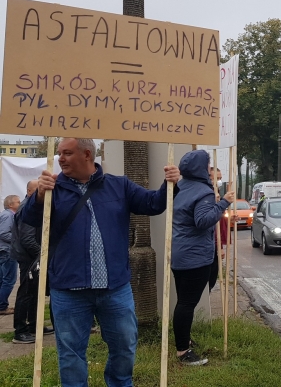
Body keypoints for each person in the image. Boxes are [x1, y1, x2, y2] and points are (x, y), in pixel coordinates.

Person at [19, 138, 180, 387]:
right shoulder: (52, 188)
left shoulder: (119, 185)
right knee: (71, 353)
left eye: (67, 153)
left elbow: (153, 203)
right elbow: (26, 218)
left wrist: (170, 184)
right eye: (59, 153)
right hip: (69, 289)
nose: (60, 158)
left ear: (87, 154)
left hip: (115, 288)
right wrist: (39, 195)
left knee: (125, 345)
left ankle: (120, 382)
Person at [171, 150, 234, 366]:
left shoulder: (180, 186)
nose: (209, 169)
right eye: (207, 165)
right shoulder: (203, 191)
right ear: (200, 167)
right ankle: (183, 351)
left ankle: (185, 340)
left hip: (179, 253)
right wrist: (223, 203)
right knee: (187, 304)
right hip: (195, 257)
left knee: (183, 301)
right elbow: (203, 221)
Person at [11, 180, 55, 344]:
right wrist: (43, 255)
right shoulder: (26, 208)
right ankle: (20, 331)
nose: (43, 193)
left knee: (35, 292)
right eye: (38, 190)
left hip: (33, 257)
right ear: (30, 191)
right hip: (28, 258)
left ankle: (34, 326)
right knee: (26, 293)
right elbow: (27, 239)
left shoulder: (33, 206)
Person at [0, 195, 21, 315]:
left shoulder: (6, 215)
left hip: (4, 250)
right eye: (18, 202)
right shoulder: (8, 216)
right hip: (7, 251)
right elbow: (3, 233)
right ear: (10, 205)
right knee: (9, 280)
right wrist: (17, 240)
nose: (20, 203)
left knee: (3, 279)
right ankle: (2, 306)